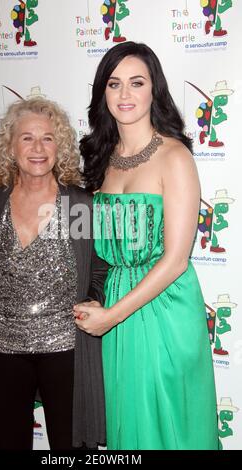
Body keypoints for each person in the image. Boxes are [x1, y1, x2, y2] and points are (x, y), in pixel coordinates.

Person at [74, 41, 219, 450]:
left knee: (170, 427)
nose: (124, 94)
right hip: (117, 309)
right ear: (102, 92)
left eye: (136, 83)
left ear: (154, 89)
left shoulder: (175, 157)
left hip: (165, 310)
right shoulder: (100, 159)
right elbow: (84, 239)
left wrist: (110, 317)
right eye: (114, 84)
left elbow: (175, 260)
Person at [0, 97, 107, 450]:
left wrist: (92, 302)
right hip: (3, 352)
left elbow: (99, 272)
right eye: (27, 138)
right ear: (10, 146)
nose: (38, 148)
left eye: (48, 138)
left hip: (66, 348)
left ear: (61, 147)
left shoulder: (79, 205)